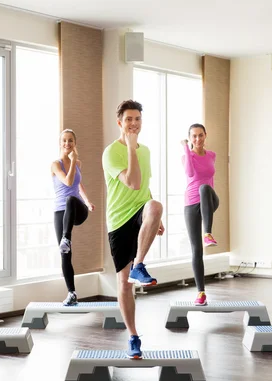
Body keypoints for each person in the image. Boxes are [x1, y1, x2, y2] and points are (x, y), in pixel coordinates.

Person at [102, 99, 164, 359]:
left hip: (140, 210)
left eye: (137, 119)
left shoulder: (146, 151)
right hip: (118, 220)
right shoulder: (111, 153)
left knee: (156, 204)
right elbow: (133, 182)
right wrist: (129, 147)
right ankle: (133, 336)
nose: (133, 123)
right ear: (120, 122)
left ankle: (139, 264)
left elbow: (145, 187)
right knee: (124, 284)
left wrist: (154, 216)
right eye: (128, 119)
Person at [51, 129, 95, 306]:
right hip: (61, 212)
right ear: (60, 143)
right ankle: (72, 293)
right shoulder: (55, 164)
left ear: (74, 144)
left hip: (77, 209)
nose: (67, 144)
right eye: (64, 141)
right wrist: (71, 162)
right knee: (65, 254)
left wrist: (87, 201)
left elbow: (76, 184)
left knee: (71, 198)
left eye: (70, 141)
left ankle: (66, 238)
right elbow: (67, 181)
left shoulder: (78, 163)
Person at [181, 123, 219, 307]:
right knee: (196, 250)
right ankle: (201, 293)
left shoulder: (212, 155)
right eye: (194, 136)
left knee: (205, 187)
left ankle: (208, 233)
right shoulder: (187, 156)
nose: (198, 139)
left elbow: (209, 177)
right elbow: (189, 172)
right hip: (191, 204)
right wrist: (185, 148)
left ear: (205, 135)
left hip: (209, 199)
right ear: (190, 138)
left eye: (200, 135)